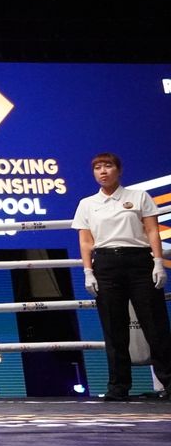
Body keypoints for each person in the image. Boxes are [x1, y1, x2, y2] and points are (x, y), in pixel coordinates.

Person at [73, 152, 170, 401]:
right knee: (114, 329)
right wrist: (87, 271)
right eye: (97, 167)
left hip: (139, 261)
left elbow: (152, 231)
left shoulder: (138, 196)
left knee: (155, 325)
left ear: (119, 170)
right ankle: (118, 386)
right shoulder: (87, 203)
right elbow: (85, 242)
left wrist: (158, 262)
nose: (102, 171)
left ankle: (169, 383)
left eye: (108, 166)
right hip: (105, 264)